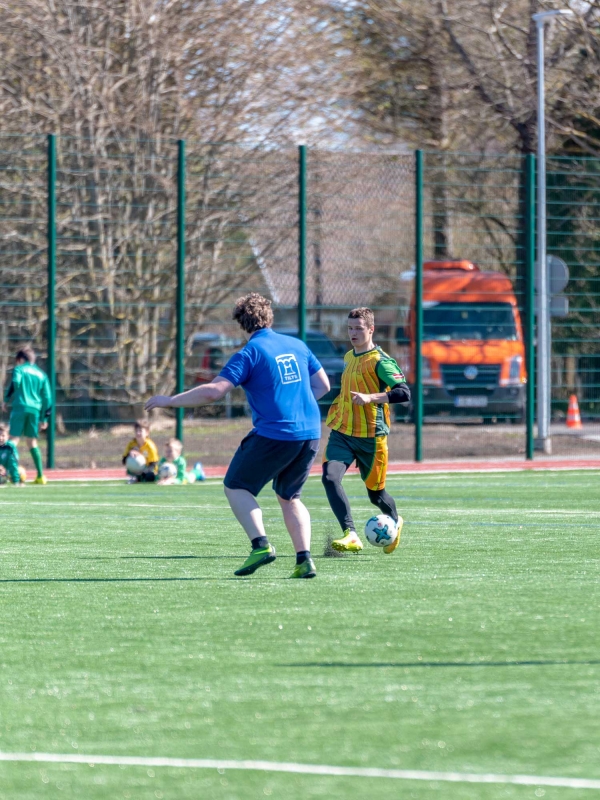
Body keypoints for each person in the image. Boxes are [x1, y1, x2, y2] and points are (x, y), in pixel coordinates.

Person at [145, 292, 330, 579]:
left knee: (235, 486)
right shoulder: (298, 345)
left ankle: (261, 545)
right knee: (289, 496)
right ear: (269, 316)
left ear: (241, 324)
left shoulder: (250, 353)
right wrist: (296, 406)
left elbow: (214, 392)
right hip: (310, 433)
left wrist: (169, 401)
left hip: (276, 433)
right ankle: (304, 560)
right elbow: (323, 385)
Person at [322, 307, 411, 553]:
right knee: (330, 478)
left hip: (372, 437)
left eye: (359, 328)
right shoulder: (349, 357)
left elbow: (404, 392)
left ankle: (395, 520)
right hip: (343, 433)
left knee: (376, 496)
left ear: (371, 329)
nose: (353, 333)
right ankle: (350, 533)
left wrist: (371, 397)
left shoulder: (381, 361)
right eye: (350, 328)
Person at [2, 346, 52, 485]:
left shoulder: (19, 369)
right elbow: (48, 398)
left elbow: (15, 383)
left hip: (20, 407)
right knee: (32, 442)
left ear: (19, 359)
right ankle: (41, 476)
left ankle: (6, 472)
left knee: (13, 440)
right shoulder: (42, 374)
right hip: (35, 410)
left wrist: (6, 400)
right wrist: (45, 418)